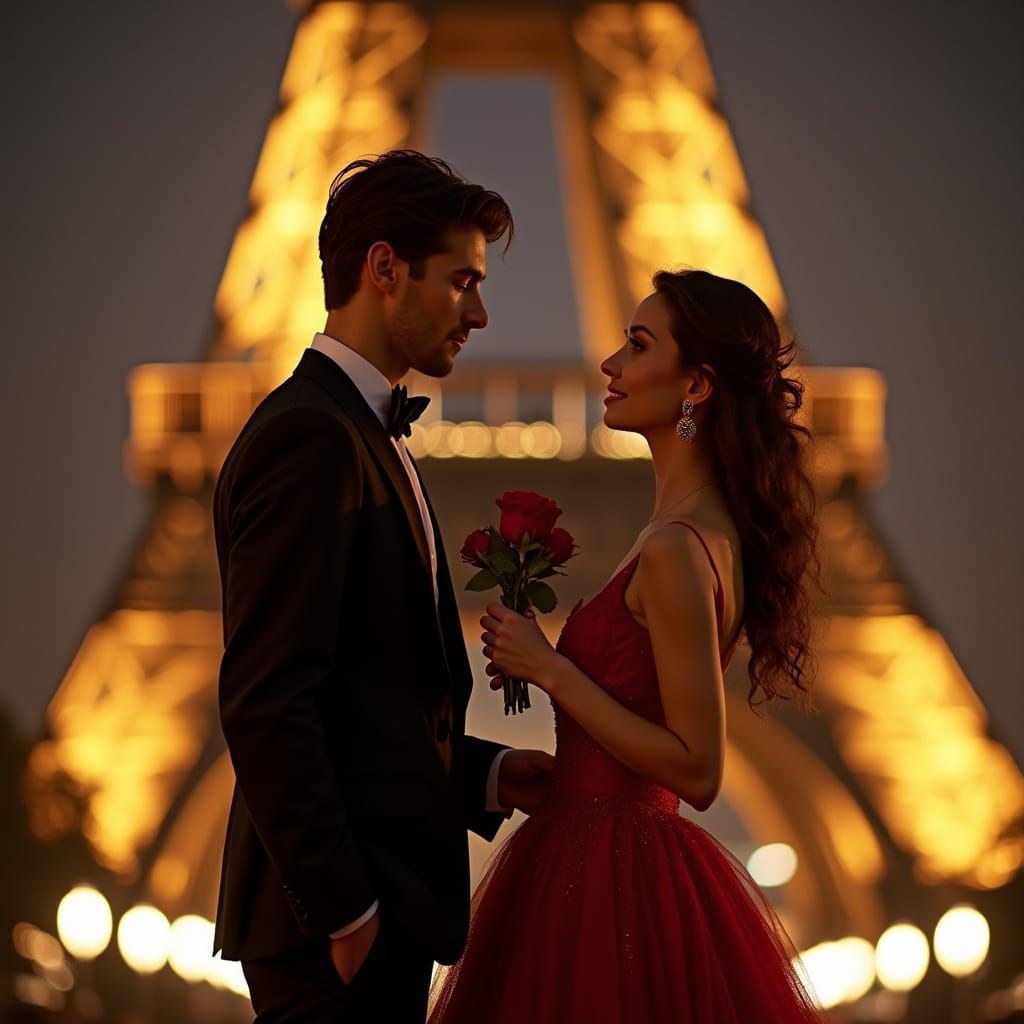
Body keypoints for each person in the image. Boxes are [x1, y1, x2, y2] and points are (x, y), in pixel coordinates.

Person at [212, 150, 555, 1023]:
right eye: (462, 282)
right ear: (384, 268)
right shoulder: (312, 439)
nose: (481, 313)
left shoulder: (362, 434)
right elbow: (270, 699)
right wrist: (346, 910)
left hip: (379, 915)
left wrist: (487, 774)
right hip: (338, 931)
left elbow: (366, 706)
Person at [428, 269, 826, 1023]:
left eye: (637, 345)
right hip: (595, 858)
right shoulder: (689, 534)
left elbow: (698, 769)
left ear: (697, 386)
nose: (609, 365)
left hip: (608, 877)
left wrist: (549, 669)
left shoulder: (677, 550)